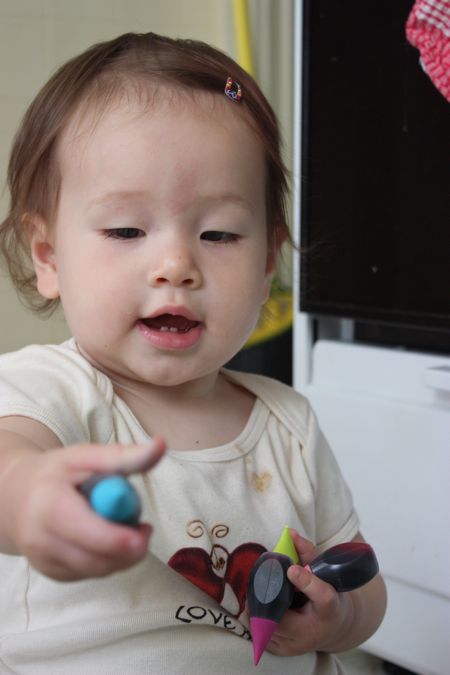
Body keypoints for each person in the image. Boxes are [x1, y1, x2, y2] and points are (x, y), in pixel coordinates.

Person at [0, 32, 386, 675]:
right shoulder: (47, 390)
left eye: (220, 233)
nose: (176, 265)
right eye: (126, 230)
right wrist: (34, 499)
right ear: (49, 257)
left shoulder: (289, 425)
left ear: (267, 262)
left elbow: (360, 575)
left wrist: (340, 616)